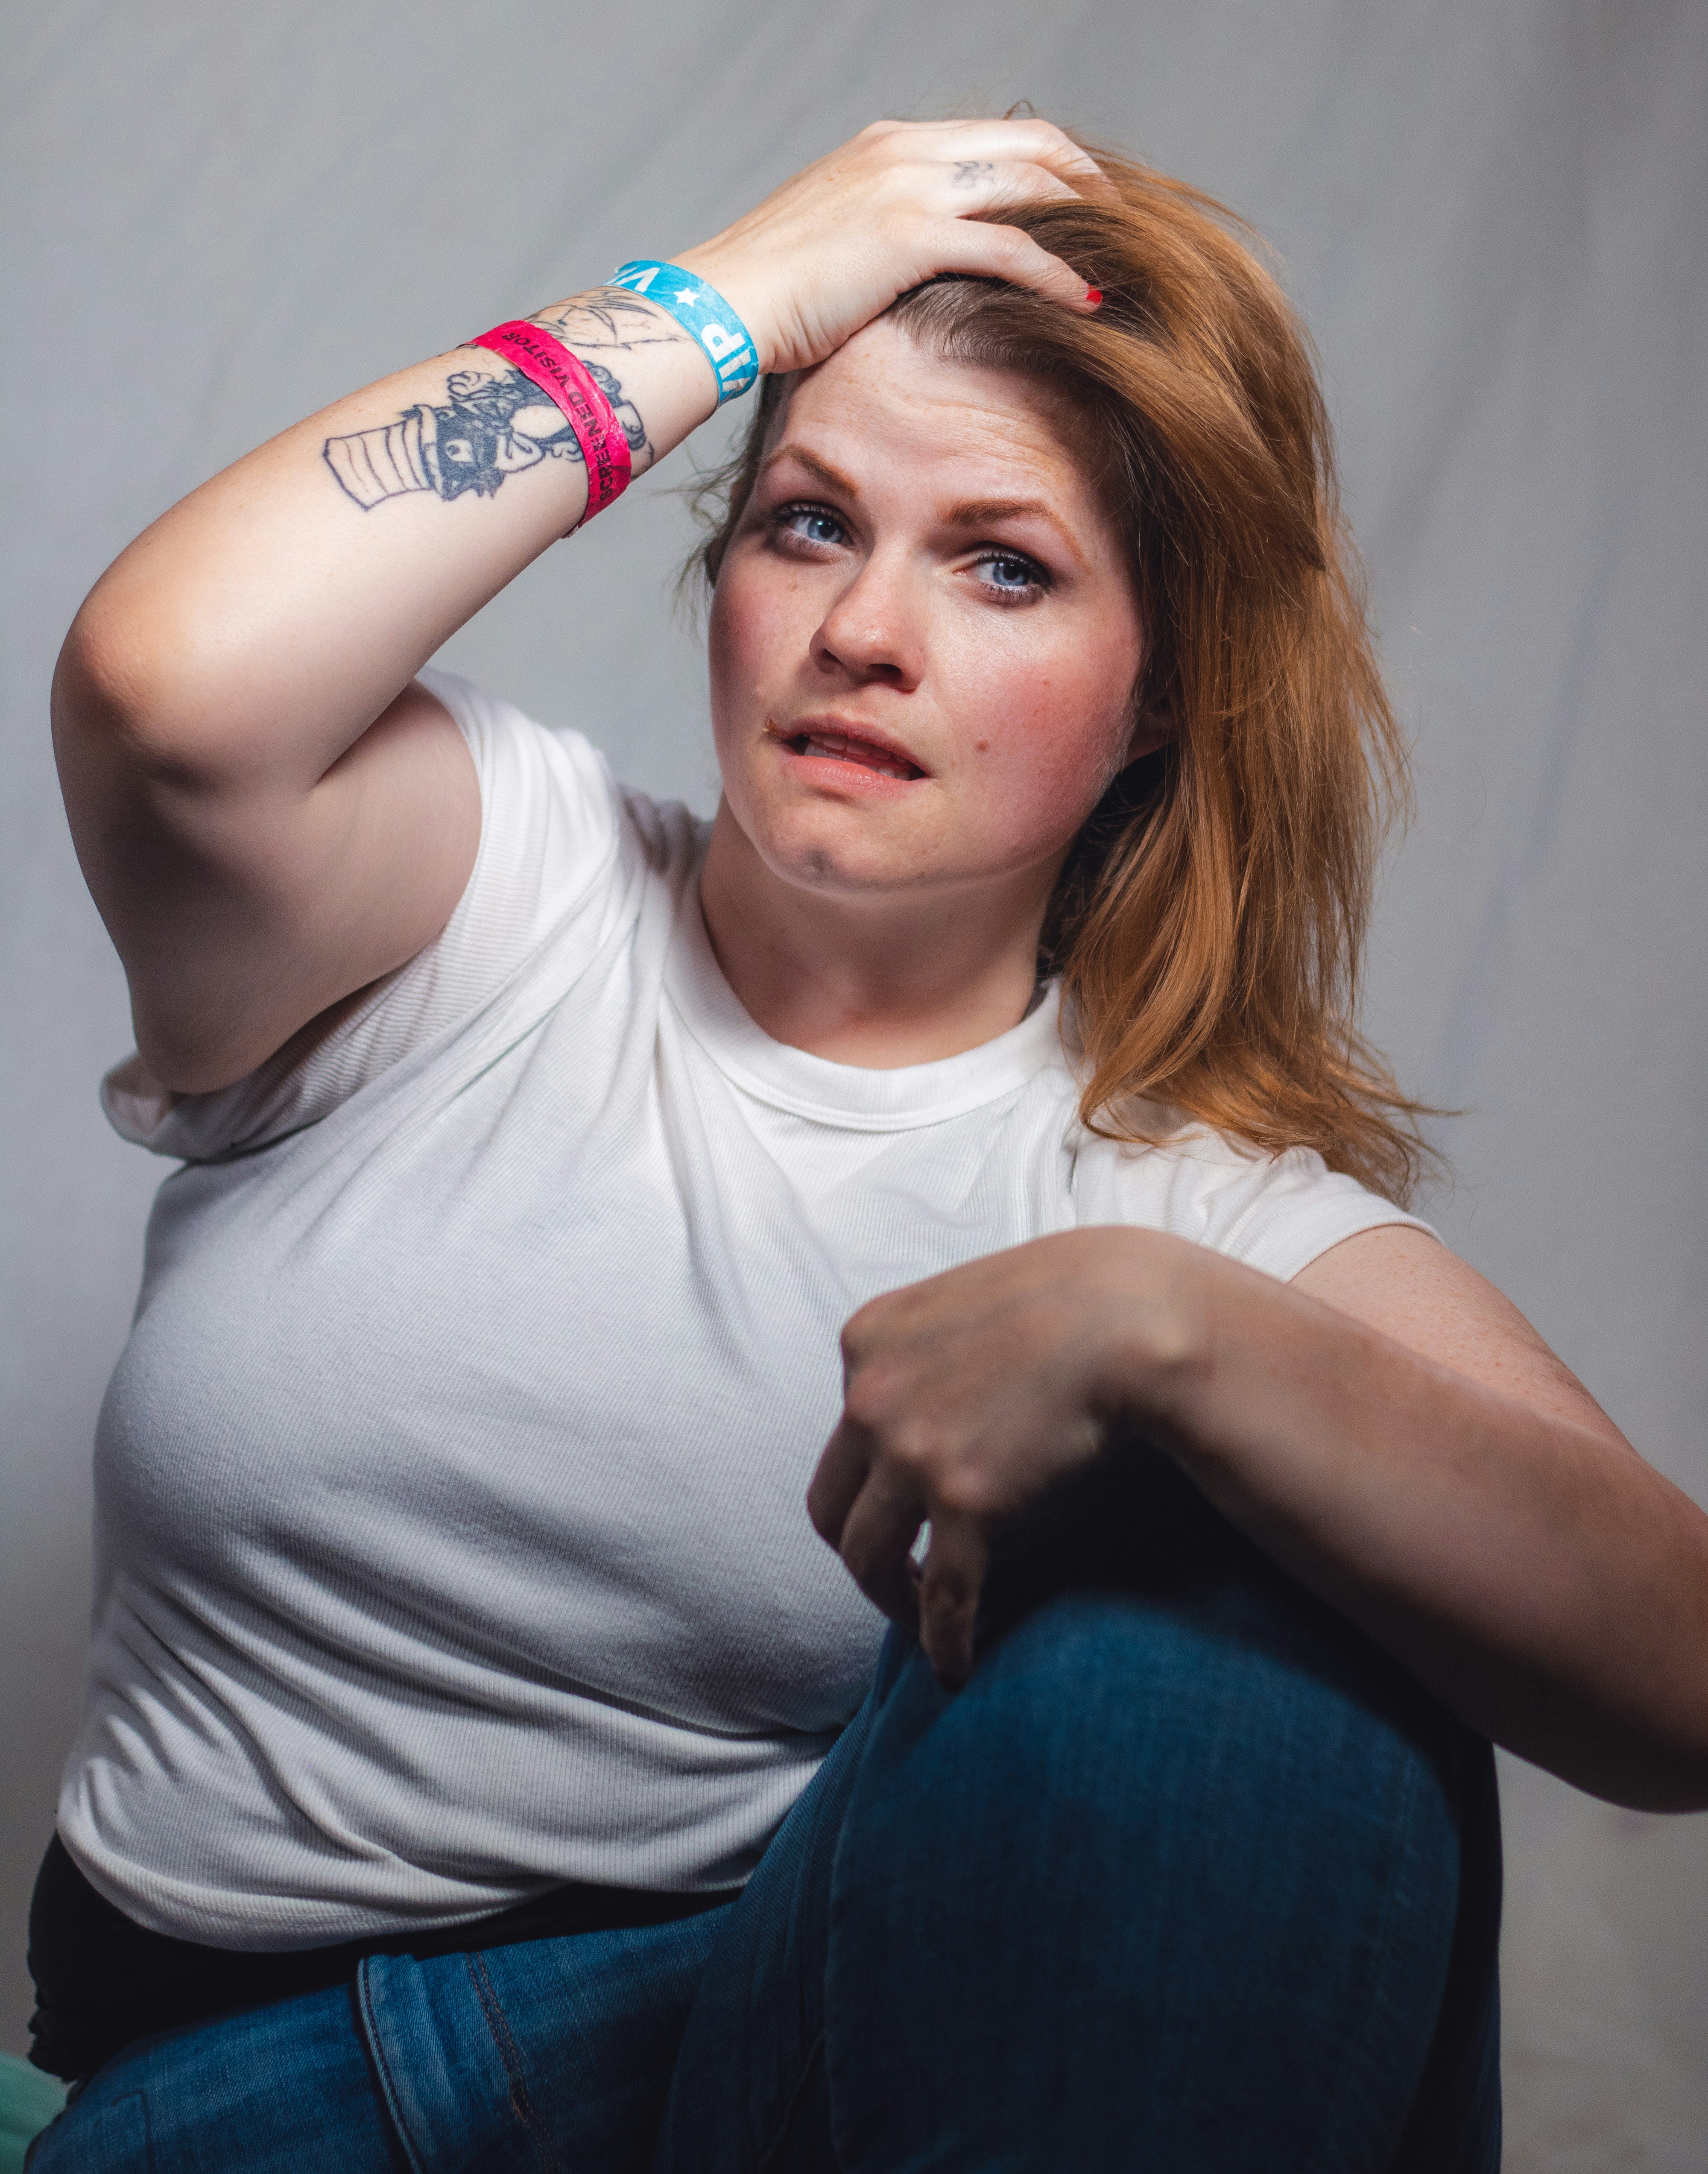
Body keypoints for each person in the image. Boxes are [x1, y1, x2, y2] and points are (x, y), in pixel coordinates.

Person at [24, 114, 1708, 2172]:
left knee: (1271, 1604)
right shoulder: (475, 896)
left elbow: (1682, 1673)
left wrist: (1179, 1337)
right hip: (273, 2084)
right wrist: (745, 290)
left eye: (1001, 564)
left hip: (839, 2063)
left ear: (1158, 693)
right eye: (810, 525)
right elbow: (166, 685)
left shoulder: (1171, 1208)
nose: (864, 633)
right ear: (720, 568)